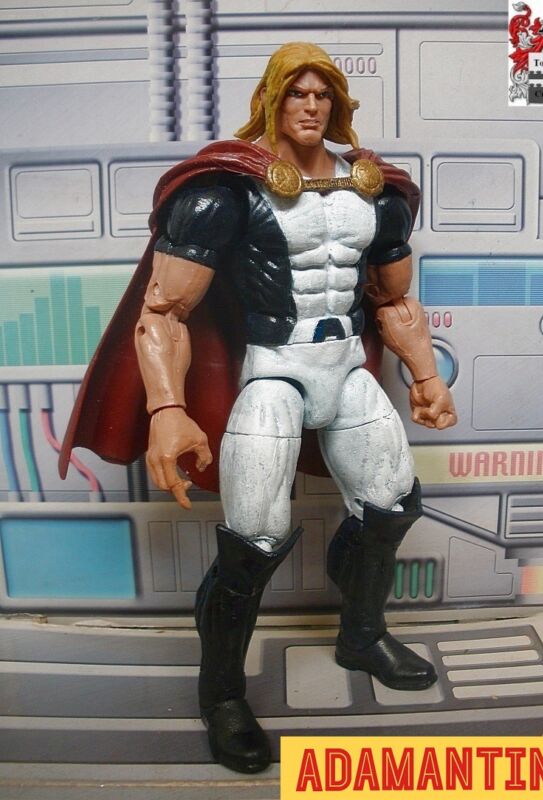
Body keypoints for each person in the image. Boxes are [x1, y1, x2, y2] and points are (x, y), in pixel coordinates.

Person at [60, 42, 456, 774]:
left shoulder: (377, 192)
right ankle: (221, 694)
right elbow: (165, 311)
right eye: (297, 92)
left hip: (346, 367)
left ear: (338, 103)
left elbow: (394, 299)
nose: (311, 105)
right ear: (273, 99)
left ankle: (361, 635)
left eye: (323, 94)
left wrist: (425, 375)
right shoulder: (225, 192)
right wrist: (167, 408)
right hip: (273, 373)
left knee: (392, 507)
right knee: (253, 542)